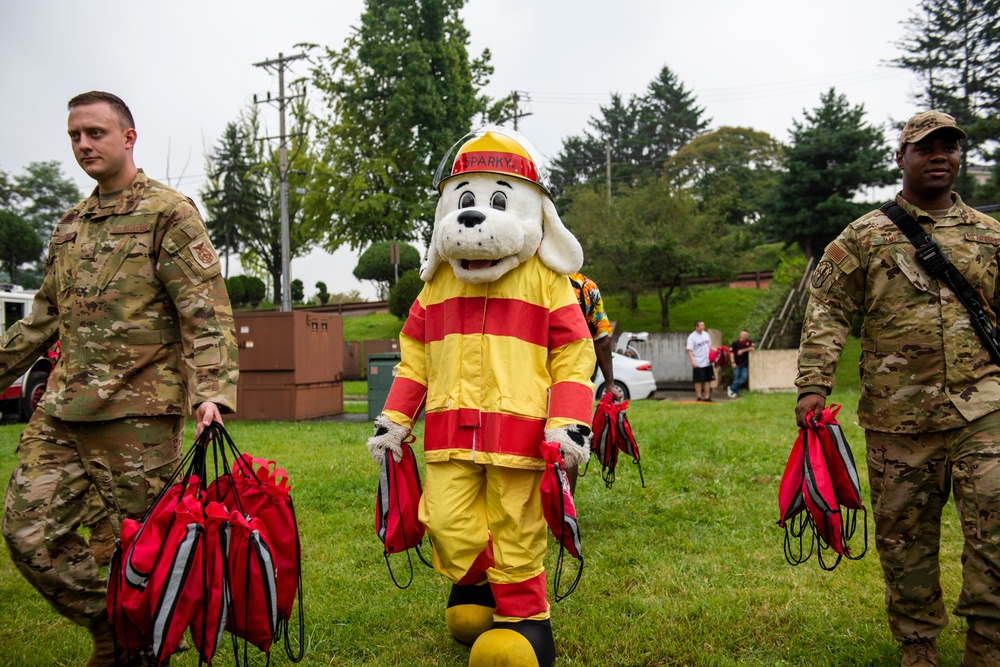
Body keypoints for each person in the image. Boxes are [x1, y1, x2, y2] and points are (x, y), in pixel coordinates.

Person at [0, 91, 238, 667]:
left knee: (143, 549)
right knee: (27, 534)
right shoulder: (69, 226)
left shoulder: (168, 213)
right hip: (62, 411)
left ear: (128, 138)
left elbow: (205, 312)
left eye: (96, 133)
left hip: (139, 419)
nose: (84, 144)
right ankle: (114, 627)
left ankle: (142, 647)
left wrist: (212, 393)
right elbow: (42, 319)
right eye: (75, 136)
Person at [794, 111, 1000, 667]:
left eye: (950, 147)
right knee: (905, 536)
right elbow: (829, 308)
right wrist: (812, 384)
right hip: (897, 418)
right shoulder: (865, 235)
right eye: (926, 147)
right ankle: (918, 646)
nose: (940, 156)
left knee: (995, 524)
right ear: (901, 158)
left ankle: (987, 643)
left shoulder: (989, 234)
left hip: (985, 408)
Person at [566, 272, 622, 492]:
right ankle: (564, 510)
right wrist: (610, 383)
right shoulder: (586, 286)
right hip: (576, 376)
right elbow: (602, 339)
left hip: (532, 373)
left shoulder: (530, 277)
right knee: (569, 439)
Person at [686, 320, 714, 401]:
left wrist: (717, 351)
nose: (703, 327)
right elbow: (689, 350)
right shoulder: (692, 337)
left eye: (703, 325)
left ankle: (707, 396)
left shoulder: (706, 334)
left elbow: (709, 346)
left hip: (707, 360)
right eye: (701, 325)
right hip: (698, 361)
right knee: (698, 380)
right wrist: (692, 361)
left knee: (708, 379)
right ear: (697, 327)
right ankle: (698, 396)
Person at [727, 330, 754, 399]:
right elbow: (731, 352)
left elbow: (752, 348)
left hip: (744, 363)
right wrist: (733, 362)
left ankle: (731, 388)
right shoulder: (735, 343)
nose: (745, 336)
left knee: (743, 377)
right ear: (740, 335)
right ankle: (735, 392)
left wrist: (743, 350)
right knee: (736, 377)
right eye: (744, 334)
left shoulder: (749, 342)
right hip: (737, 363)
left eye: (746, 335)